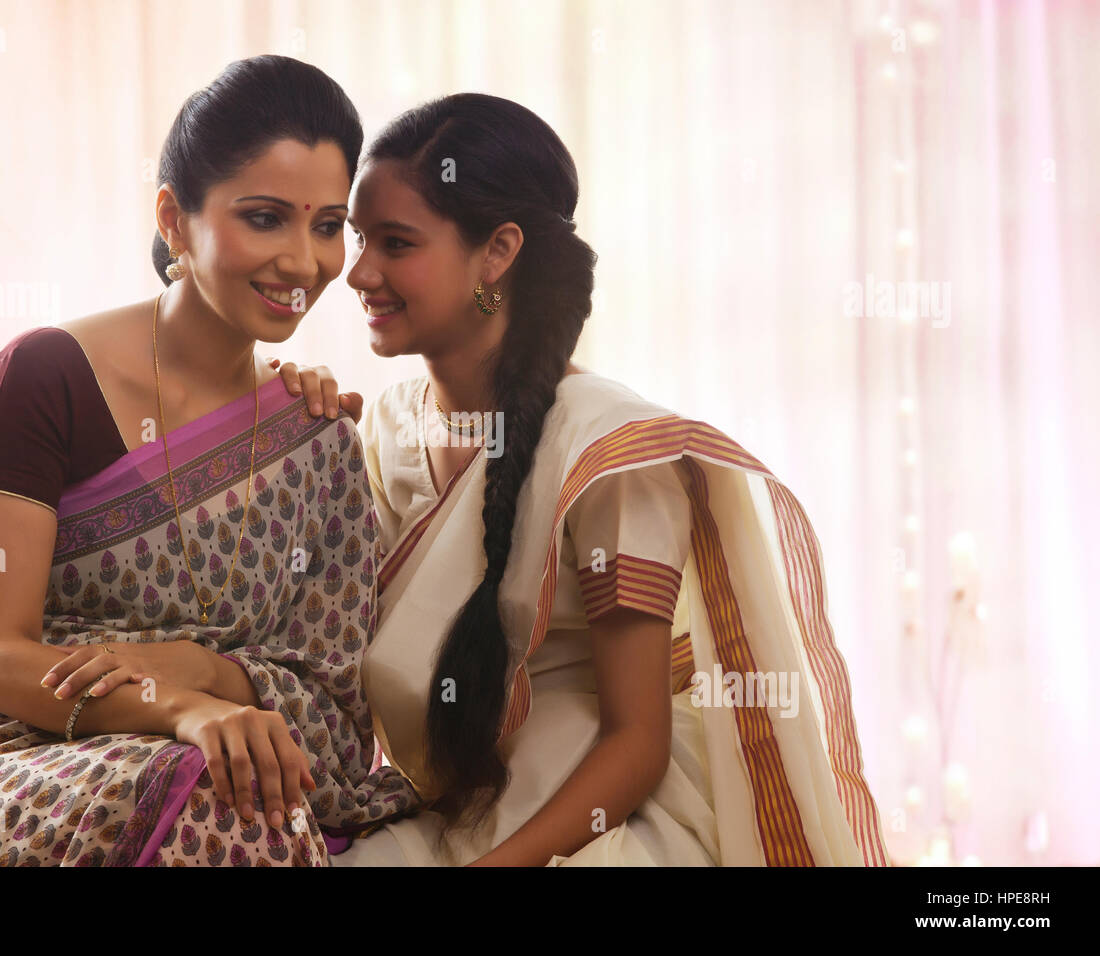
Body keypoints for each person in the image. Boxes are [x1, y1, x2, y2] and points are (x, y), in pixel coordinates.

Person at [0, 55, 418, 867]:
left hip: (216, 755)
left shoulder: (317, 438)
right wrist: (179, 708)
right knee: (213, 803)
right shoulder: (42, 379)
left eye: (328, 225)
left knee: (234, 796)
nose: (304, 262)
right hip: (3, 752)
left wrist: (194, 672)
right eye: (265, 218)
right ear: (174, 219)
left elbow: (331, 712)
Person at [297, 92, 892, 866]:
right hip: (444, 811)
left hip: (597, 826)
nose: (360, 273)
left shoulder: (611, 450)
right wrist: (277, 429)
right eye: (359, 239)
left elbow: (637, 747)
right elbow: (328, 647)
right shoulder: (381, 429)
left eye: (397, 243)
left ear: (498, 252)